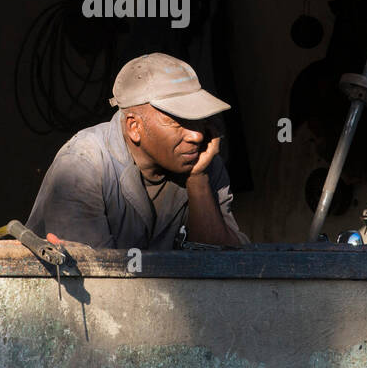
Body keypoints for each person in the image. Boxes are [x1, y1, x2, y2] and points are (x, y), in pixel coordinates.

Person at [25, 53, 249, 249]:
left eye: (198, 120)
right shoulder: (82, 164)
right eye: (179, 122)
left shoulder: (202, 161)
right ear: (134, 127)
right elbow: (95, 282)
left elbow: (225, 268)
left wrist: (198, 181)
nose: (196, 136)